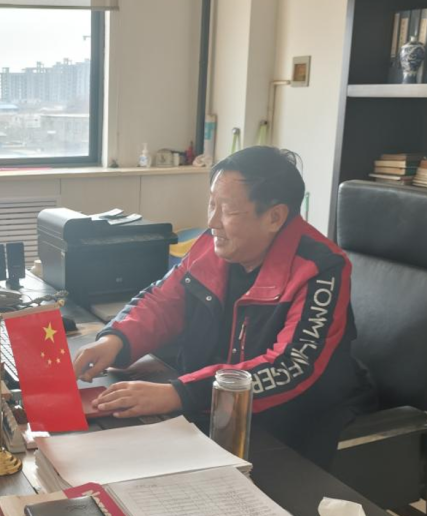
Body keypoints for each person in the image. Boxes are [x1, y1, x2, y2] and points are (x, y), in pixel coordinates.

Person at [73, 146, 375, 468]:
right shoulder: (214, 245)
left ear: (274, 217)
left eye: (227, 210)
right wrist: (115, 340)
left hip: (287, 423)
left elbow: (290, 366)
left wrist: (178, 394)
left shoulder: (319, 269)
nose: (212, 221)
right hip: (213, 406)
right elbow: (163, 300)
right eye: (212, 204)